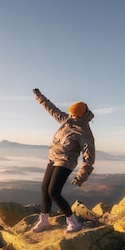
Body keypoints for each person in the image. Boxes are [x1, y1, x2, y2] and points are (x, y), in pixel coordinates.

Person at [31, 88, 95, 233]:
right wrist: (39, 96)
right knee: (44, 188)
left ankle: (73, 222)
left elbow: (89, 157)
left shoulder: (84, 132)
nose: (71, 116)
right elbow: (51, 109)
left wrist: (82, 175)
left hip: (66, 161)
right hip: (53, 158)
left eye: (74, 114)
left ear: (81, 115)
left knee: (54, 192)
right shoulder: (67, 120)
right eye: (70, 113)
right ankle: (44, 220)